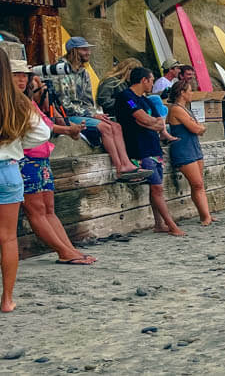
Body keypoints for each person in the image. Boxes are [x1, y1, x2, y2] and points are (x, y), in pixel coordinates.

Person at [12, 59, 96, 267]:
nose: (22, 79)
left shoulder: (26, 101)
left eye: (25, 75)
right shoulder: (12, 102)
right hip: (25, 158)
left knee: (48, 208)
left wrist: (69, 130)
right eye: (16, 75)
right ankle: (64, 250)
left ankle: (68, 248)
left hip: (40, 157)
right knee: (37, 209)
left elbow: (47, 124)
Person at [54, 37, 147, 181]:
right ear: (74, 51)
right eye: (84, 49)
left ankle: (126, 163)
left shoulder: (84, 72)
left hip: (86, 113)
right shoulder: (60, 70)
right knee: (106, 127)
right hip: (69, 115)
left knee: (116, 126)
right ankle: (119, 168)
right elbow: (65, 104)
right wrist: (92, 114)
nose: (88, 52)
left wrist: (93, 113)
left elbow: (88, 100)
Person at [0, 51, 51, 312]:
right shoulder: (16, 101)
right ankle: (7, 299)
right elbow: (43, 132)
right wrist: (18, 144)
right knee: (8, 238)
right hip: (8, 169)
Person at [116, 68, 184, 236]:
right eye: (152, 79)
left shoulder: (145, 100)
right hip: (139, 148)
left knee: (156, 187)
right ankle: (171, 225)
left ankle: (159, 223)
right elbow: (143, 118)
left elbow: (159, 123)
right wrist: (148, 123)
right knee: (157, 188)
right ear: (144, 80)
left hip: (153, 146)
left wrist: (149, 123)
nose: (153, 83)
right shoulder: (127, 97)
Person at [165, 80, 214, 225]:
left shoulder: (186, 109)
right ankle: (205, 216)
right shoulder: (176, 109)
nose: (192, 93)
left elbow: (197, 127)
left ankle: (205, 214)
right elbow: (197, 129)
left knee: (199, 185)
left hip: (193, 147)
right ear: (182, 93)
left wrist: (199, 127)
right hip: (184, 149)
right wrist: (200, 127)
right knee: (197, 184)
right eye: (190, 91)